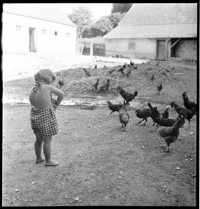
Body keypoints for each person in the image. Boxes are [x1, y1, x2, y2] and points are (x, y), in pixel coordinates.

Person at [29, 69, 65, 166]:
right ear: (50, 80)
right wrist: (56, 104)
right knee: (47, 140)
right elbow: (62, 94)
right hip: (45, 117)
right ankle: (48, 160)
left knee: (39, 139)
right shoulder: (48, 87)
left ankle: (39, 158)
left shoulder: (33, 89)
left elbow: (34, 102)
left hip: (34, 117)